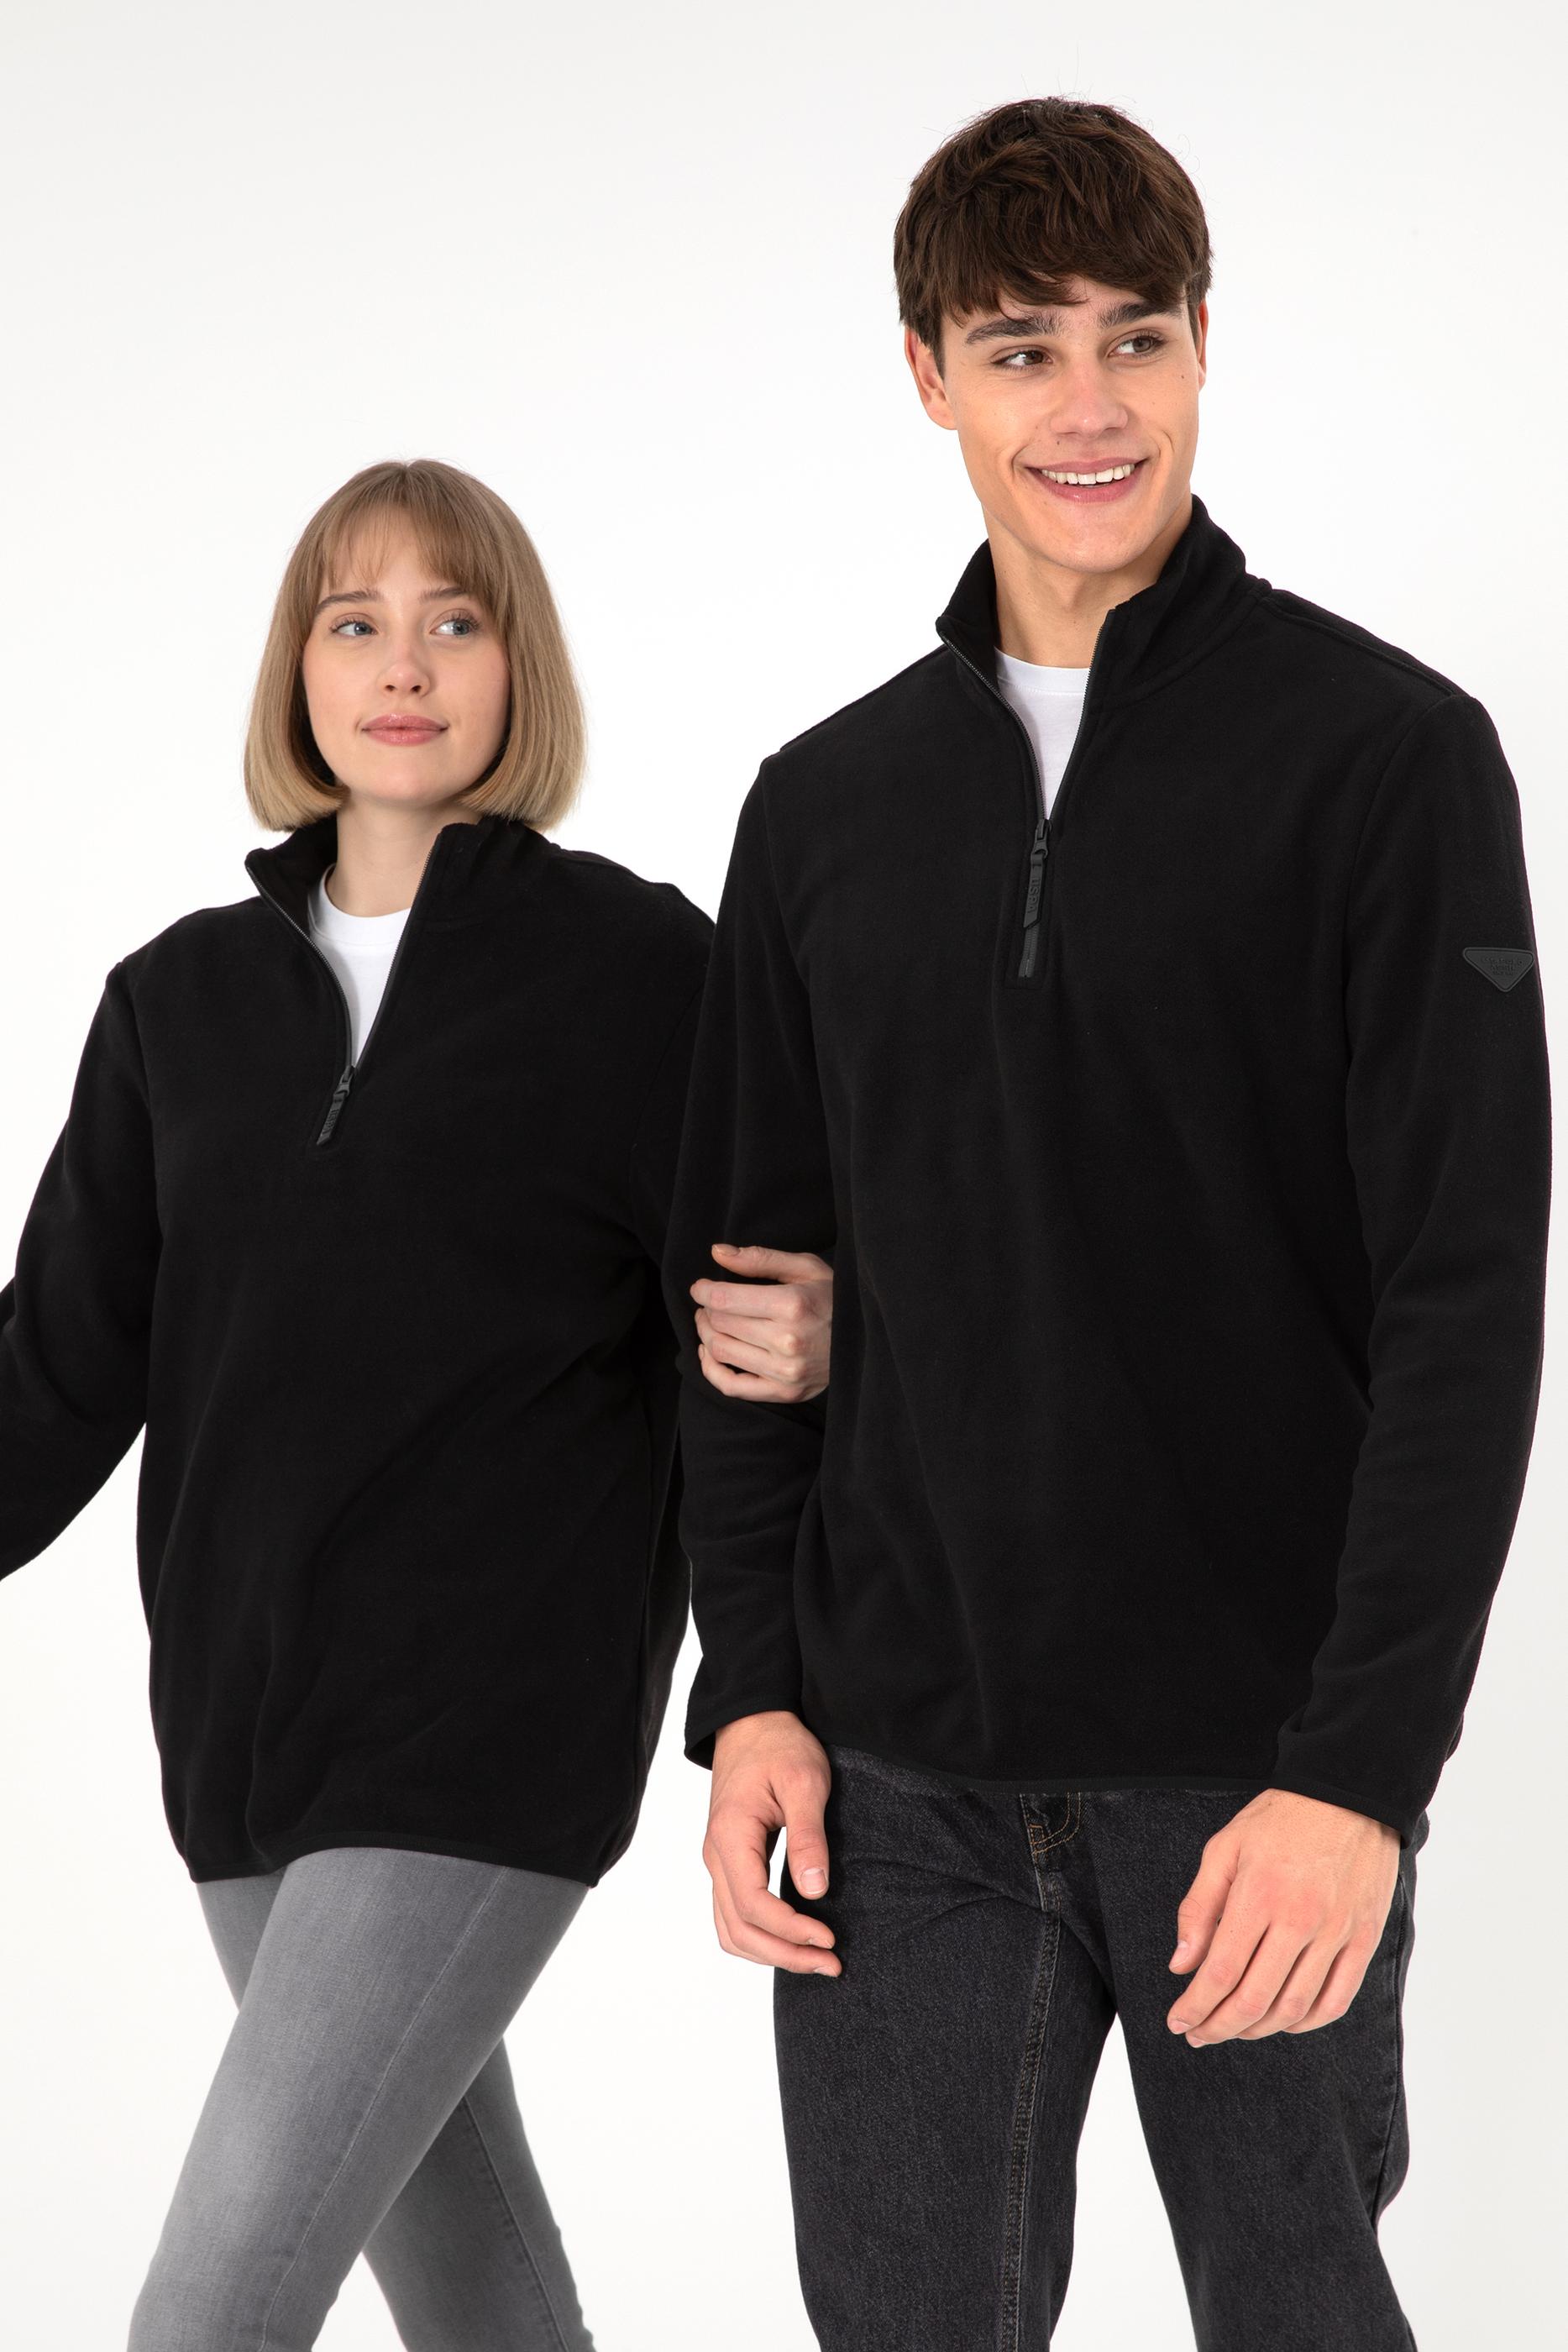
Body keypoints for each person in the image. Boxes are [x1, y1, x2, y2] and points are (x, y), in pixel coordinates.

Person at [665, 96, 1550, 2350]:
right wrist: (750, 1691)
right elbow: (753, 1288)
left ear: (1200, 346)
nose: (1088, 406)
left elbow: (1462, 1300)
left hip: (1251, 1766)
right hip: (896, 1781)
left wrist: (1357, 1774)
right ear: (926, 375)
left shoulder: (1386, 760)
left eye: (1133, 339)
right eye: (1021, 348)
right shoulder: (822, 810)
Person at [0, 455, 833, 2351]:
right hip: (243, 1736)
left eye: (455, 620)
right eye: (355, 621)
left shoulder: (637, 971)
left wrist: (770, 1657)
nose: (404, 663)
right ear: (294, 671)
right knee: (476, 2296)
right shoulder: (175, 1003)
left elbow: (760, 1334)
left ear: (516, 664)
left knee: (209, 2311)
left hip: (489, 1727)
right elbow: (53, 1370)